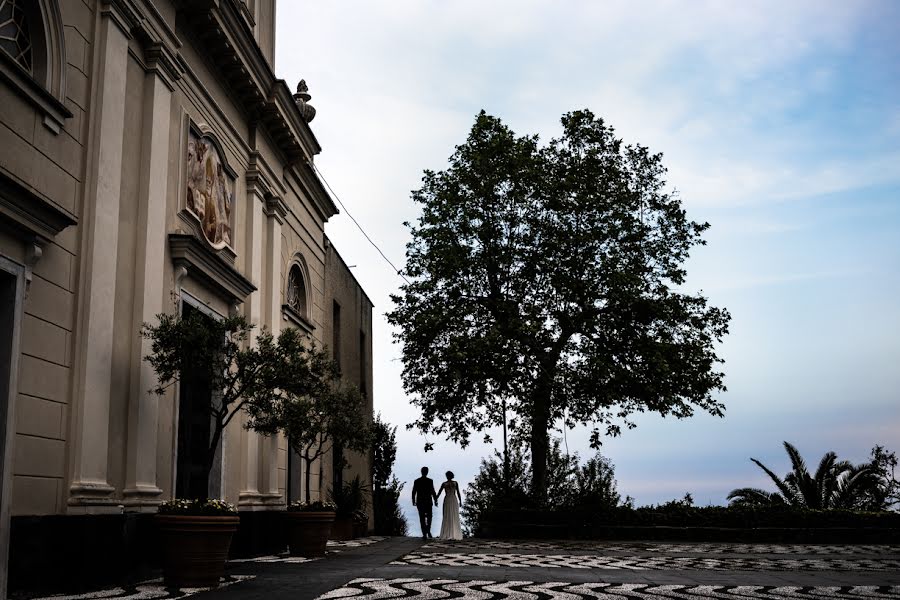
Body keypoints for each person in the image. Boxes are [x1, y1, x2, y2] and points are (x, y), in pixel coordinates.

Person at [411, 466, 438, 539]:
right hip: (428, 501)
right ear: (427, 472)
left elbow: (414, 492)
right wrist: (435, 500)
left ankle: (424, 533)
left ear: (421, 472)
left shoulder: (417, 481)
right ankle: (428, 531)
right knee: (429, 517)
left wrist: (413, 500)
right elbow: (433, 491)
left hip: (420, 501)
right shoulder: (430, 481)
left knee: (422, 518)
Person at [436, 470, 463, 540]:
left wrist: (460, 501)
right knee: (449, 515)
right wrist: (460, 501)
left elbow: (458, 492)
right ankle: (451, 533)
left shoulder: (446, 483)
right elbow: (439, 493)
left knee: (451, 515)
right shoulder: (453, 483)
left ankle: (451, 533)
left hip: (450, 499)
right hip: (451, 499)